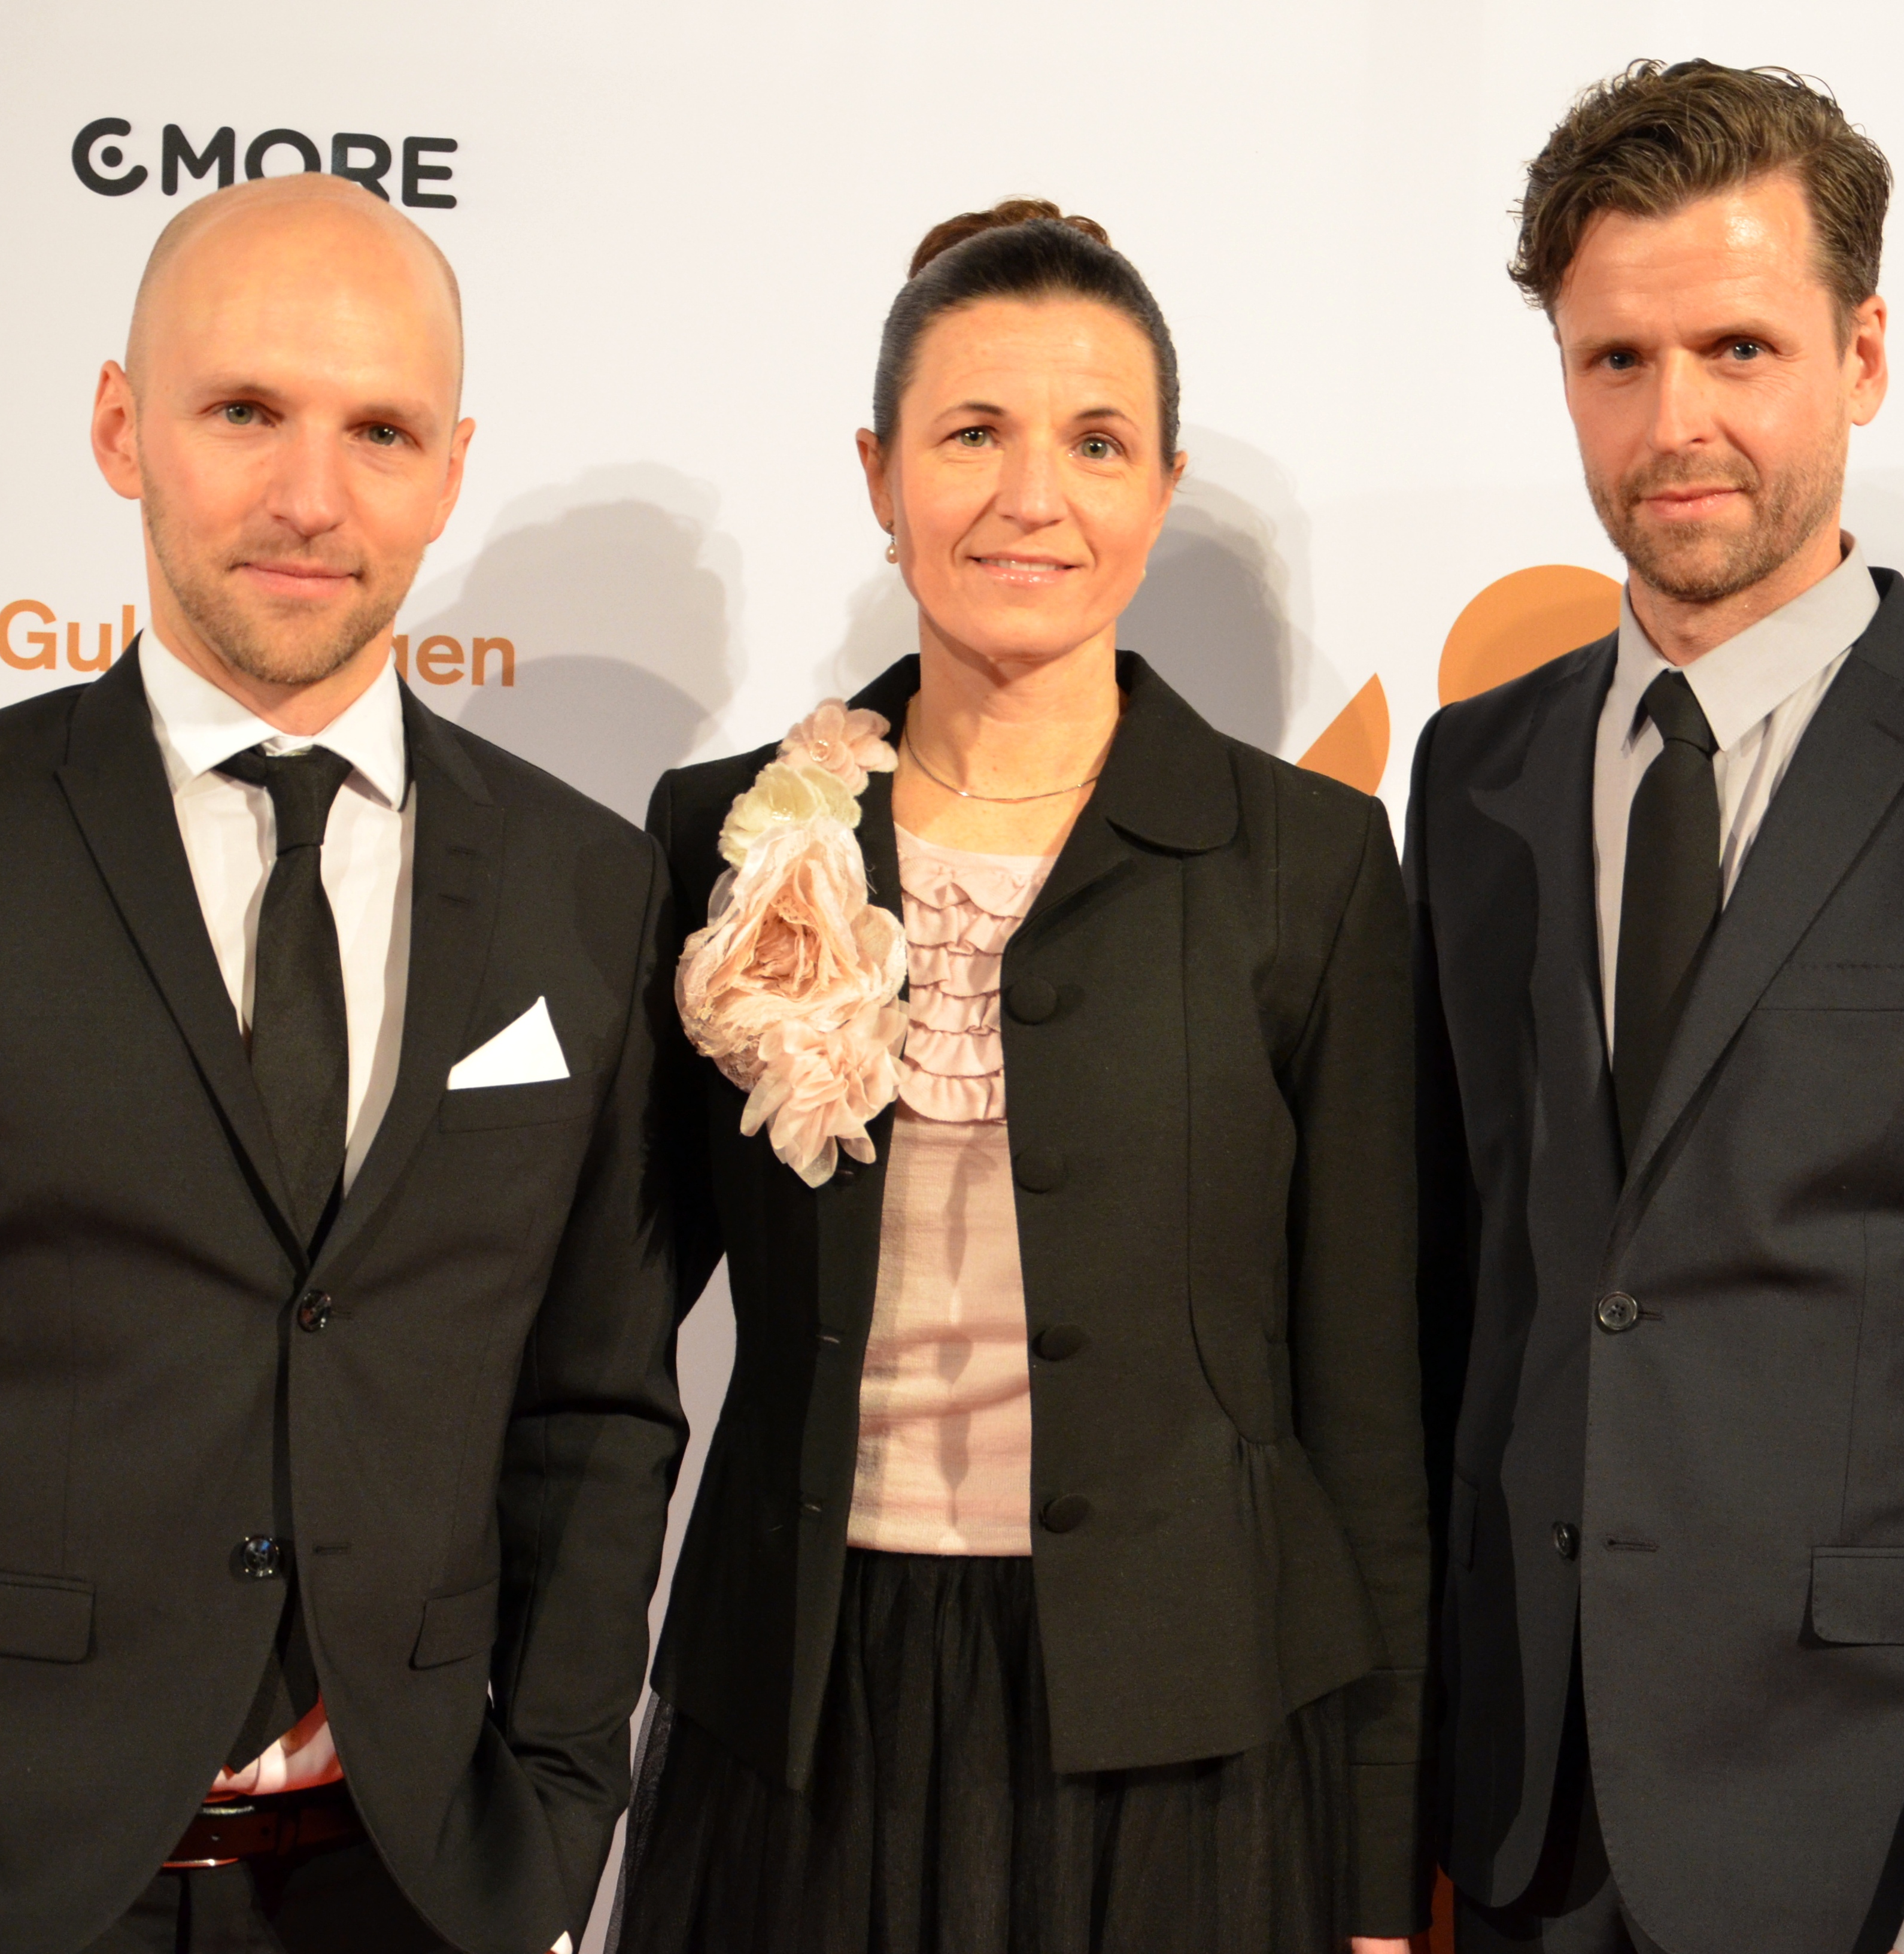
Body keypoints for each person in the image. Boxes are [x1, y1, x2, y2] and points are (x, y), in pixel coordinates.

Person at [0, 175, 685, 1954]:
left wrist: (559, 1836)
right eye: (245, 410)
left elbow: (598, 1410)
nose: (310, 496)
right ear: (123, 427)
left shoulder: (587, 885)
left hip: (421, 1891)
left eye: (380, 431)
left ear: (451, 467)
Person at [1408, 60, 1904, 1954]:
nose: (1675, 422)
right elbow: (1457, 1298)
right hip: (1522, 1824)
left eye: (1739, 349)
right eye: (1618, 360)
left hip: (1863, 1838)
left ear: (1860, 356)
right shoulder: (1474, 776)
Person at [611, 201, 1429, 1954]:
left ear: (1165, 485)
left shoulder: (1308, 862)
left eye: (1098, 443)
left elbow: (1369, 1401)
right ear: (879, 472)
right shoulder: (726, 834)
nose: (1031, 497)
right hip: (800, 1713)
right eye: (972, 433)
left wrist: (1376, 1866)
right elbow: (604, 1331)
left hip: (1188, 1730)